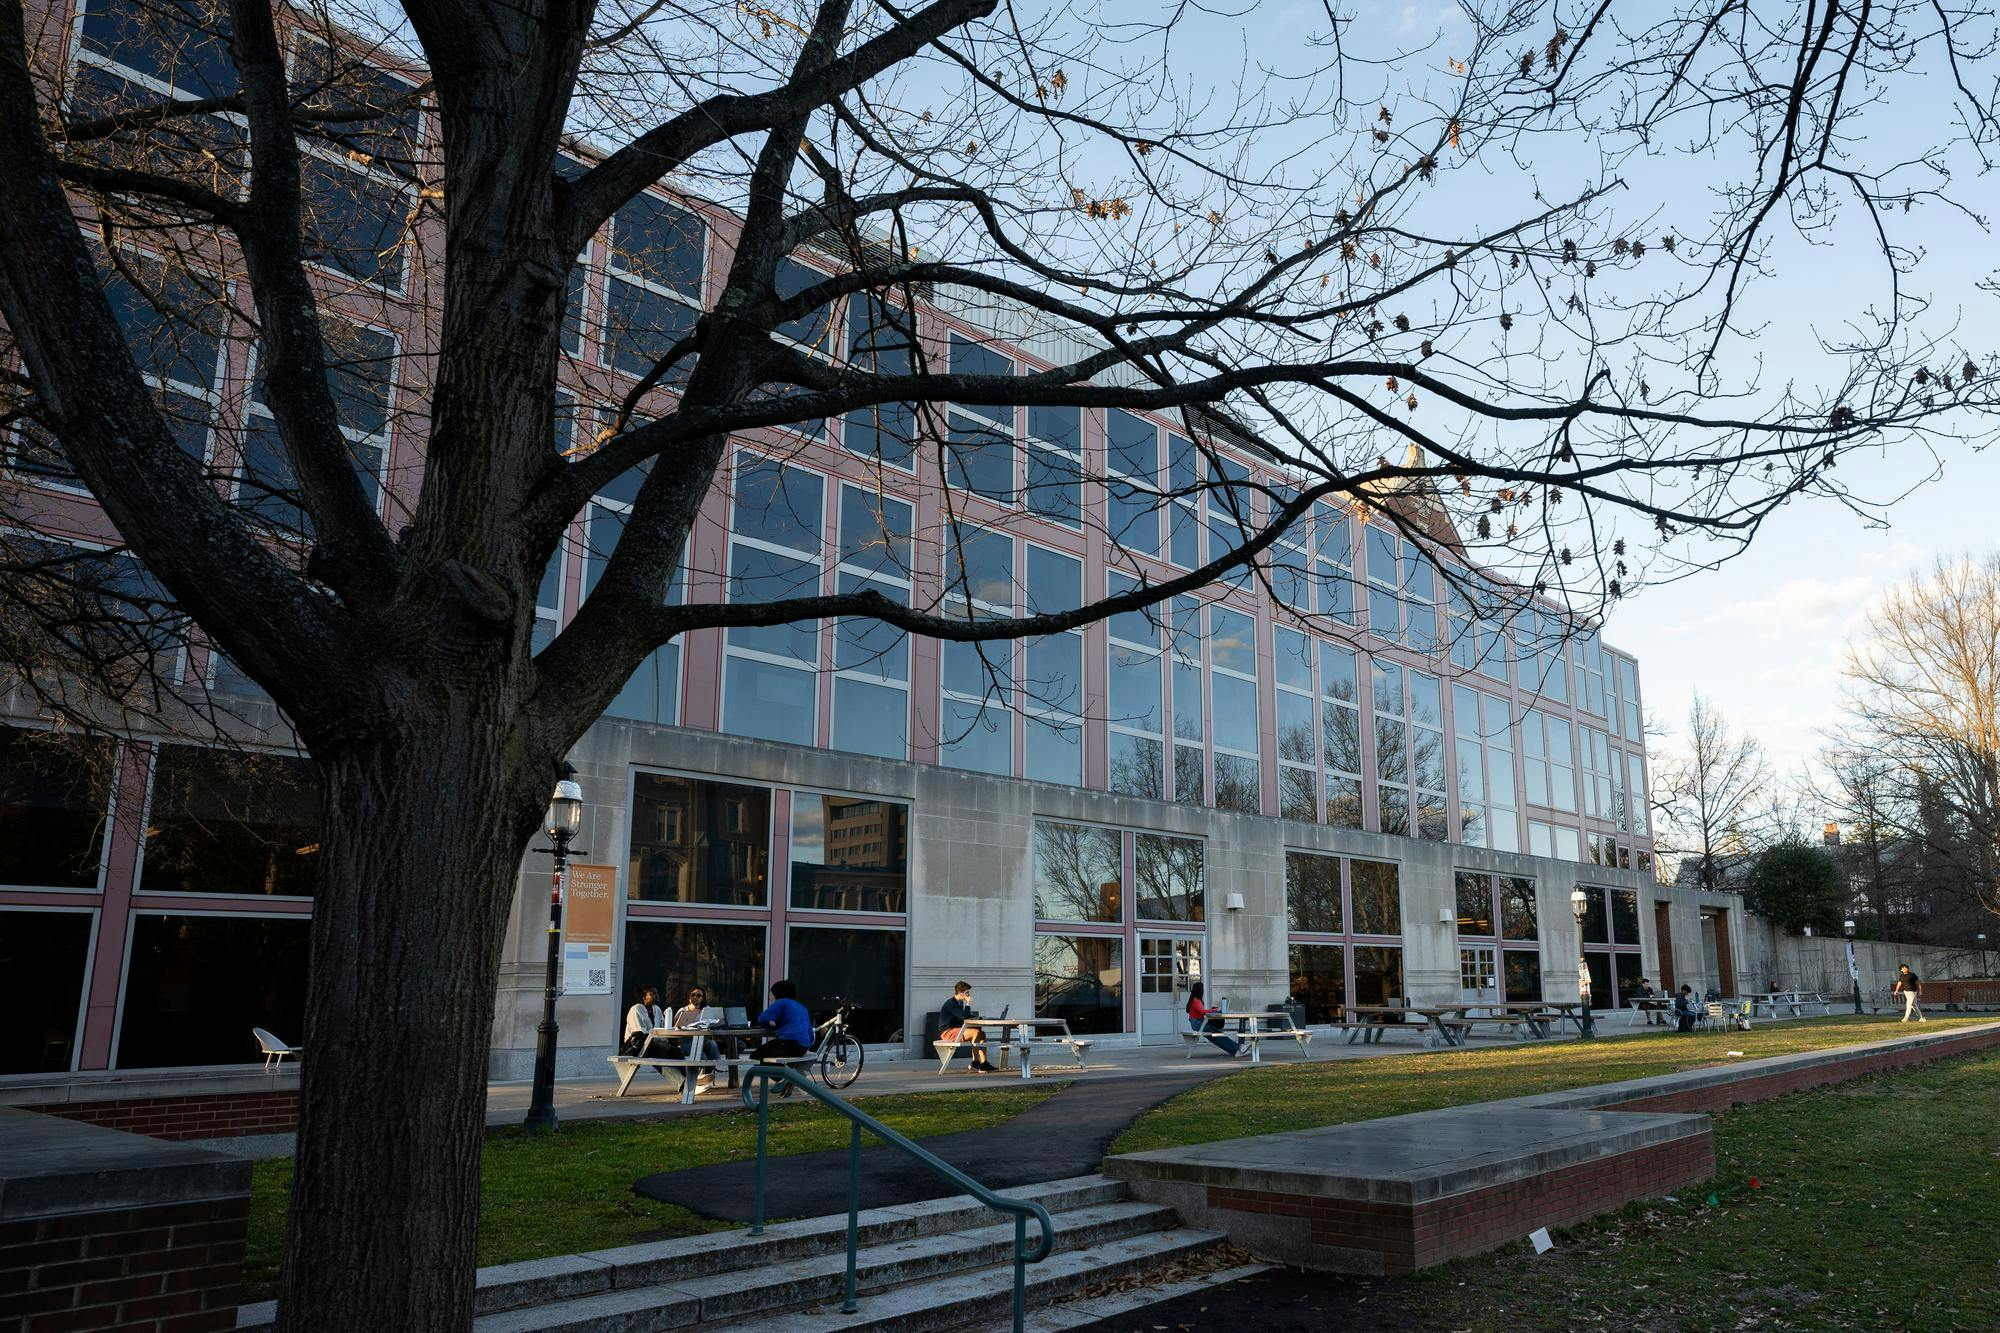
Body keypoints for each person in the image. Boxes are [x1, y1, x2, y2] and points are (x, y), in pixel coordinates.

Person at [745, 978, 814, 1060]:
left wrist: (768, 1023)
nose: (774, 999)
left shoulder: (781, 1002)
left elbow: (762, 1019)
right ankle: (777, 1071)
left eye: (774, 997)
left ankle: (765, 1072)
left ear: (778, 995)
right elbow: (811, 1035)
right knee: (775, 1055)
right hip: (803, 1047)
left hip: (790, 1043)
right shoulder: (801, 1007)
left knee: (756, 1055)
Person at [938, 981, 997, 1073]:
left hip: (957, 1030)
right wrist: (968, 1003)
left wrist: (979, 1018)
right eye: (967, 993)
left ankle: (984, 1063)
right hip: (947, 1032)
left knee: (982, 1034)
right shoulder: (951, 1003)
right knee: (975, 1032)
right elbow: (964, 1017)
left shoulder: (960, 1003)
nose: (969, 995)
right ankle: (975, 1062)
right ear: (961, 993)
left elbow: (965, 1016)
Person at [667, 985, 715, 1094]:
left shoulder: (707, 1010)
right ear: (689, 997)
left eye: (699, 995)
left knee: (713, 1045)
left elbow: (714, 1023)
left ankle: (708, 1075)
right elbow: (675, 1028)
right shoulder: (682, 1011)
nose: (696, 997)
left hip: (703, 1039)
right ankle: (701, 1079)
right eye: (693, 995)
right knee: (701, 1054)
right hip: (686, 1041)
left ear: (703, 998)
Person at [620, 986, 671, 1081]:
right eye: (653, 994)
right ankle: (683, 1083)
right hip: (639, 1046)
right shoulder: (636, 1009)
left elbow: (663, 1028)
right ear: (644, 997)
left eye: (657, 993)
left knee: (675, 1051)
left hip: (654, 1044)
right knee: (660, 1055)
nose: (656, 996)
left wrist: (664, 1041)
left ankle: (691, 1079)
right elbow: (640, 1033)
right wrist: (659, 1043)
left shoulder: (657, 1009)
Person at [1186, 982, 1245, 1057]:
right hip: (1198, 1024)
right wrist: (1214, 1010)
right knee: (1217, 1037)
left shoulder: (1196, 1000)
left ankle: (1238, 1048)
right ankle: (1237, 1049)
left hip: (1200, 1022)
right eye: (1202, 988)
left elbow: (1201, 1011)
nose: (1204, 990)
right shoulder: (1195, 1000)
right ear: (1199, 990)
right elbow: (1202, 1012)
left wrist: (1213, 1010)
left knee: (1219, 1035)